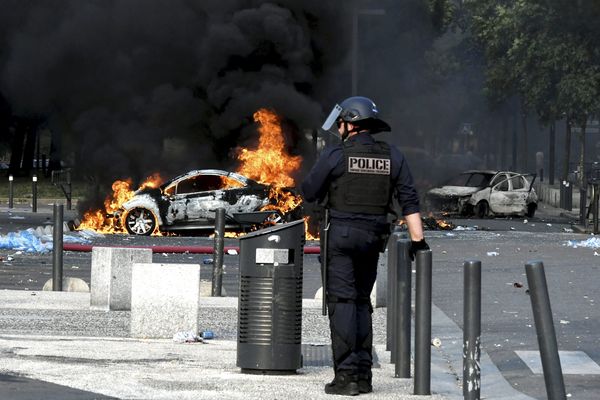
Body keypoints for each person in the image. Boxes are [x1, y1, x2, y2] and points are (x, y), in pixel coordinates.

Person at [301, 96, 429, 396]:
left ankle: (347, 378)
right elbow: (409, 199)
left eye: (342, 124)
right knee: (361, 302)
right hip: (373, 238)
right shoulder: (392, 156)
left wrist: (324, 165)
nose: (340, 129)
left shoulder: (336, 154)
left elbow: (308, 191)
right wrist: (418, 241)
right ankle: (364, 376)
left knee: (343, 303)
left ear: (348, 123)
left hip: (341, 238)